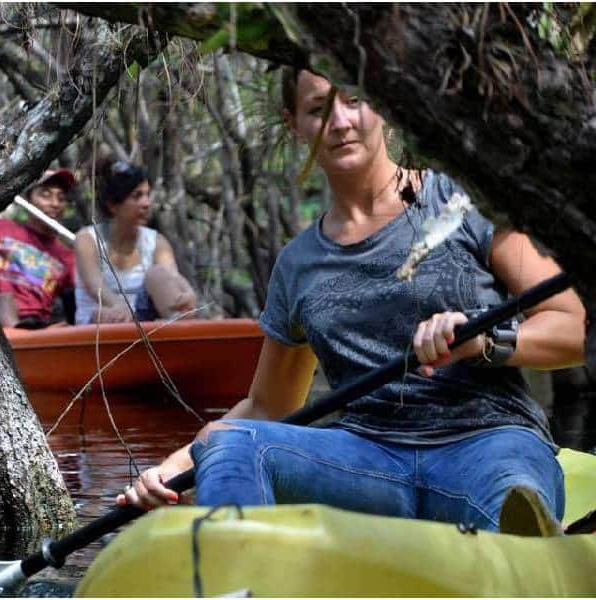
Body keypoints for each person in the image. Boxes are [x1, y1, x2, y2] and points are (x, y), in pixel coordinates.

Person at [116, 68, 586, 533]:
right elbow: (266, 407)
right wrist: (177, 464)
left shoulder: (462, 203)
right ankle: (241, 580)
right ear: (294, 124)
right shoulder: (298, 264)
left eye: (354, 100)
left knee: (509, 501)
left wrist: (482, 341)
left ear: (379, 104)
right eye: (319, 109)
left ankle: (522, 551)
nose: (340, 121)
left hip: (490, 443)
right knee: (234, 445)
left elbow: (573, 325)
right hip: (368, 462)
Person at [74, 159, 197, 325]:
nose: (146, 203)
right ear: (113, 205)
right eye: (137, 196)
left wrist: (188, 293)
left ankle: (181, 337)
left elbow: (172, 277)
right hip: (102, 321)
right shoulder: (87, 239)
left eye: (147, 195)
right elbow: (94, 285)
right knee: (104, 314)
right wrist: (119, 306)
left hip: (143, 322)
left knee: (159, 275)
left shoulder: (156, 242)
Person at [0, 168, 77, 329]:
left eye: (61, 198)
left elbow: (86, 294)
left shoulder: (67, 256)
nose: (55, 203)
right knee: (4, 300)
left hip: (39, 326)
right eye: (46, 195)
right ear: (28, 200)